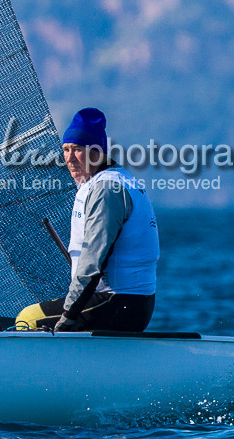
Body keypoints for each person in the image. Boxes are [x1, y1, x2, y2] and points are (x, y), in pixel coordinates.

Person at [15, 107, 159, 332]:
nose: (69, 158)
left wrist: (69, 316)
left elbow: (93, 261)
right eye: (65, 150)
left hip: (117, 303)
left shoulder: (106, 190)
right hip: (131, 303)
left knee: (27, 318)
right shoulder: (117, 180)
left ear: (98, 152)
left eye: (77, 150)